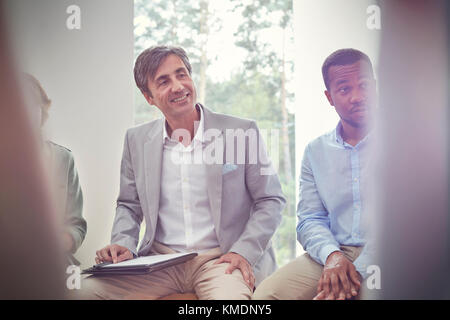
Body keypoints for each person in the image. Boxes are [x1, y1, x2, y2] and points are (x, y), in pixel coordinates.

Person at [78, 46, 286, 300]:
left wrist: (243, 251)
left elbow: (270, 200)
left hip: (222, 260)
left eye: (182, 74)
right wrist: (123, 243)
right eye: (163, 81)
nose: (177, 86)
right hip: (159, 262)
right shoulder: (136, 140)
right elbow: (129, 205)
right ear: (148, 96)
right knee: (80, 291)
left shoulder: (242, 132)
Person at [253, 48, 377, 300]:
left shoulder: (406, 142)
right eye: (344, 89)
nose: (357, 96)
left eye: (364, 85)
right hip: (335, 250)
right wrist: (333, 256)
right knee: (267, 295)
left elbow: (406, 222)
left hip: (391, 254)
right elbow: (310, 218)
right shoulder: (315, 151)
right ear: (329, 97)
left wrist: (354, 274)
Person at [22, 73, 87, 266]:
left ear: (42, 111)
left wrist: (59, 242)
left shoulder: (63, 158)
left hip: (53, 267)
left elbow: (77, 226)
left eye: (31, 105)